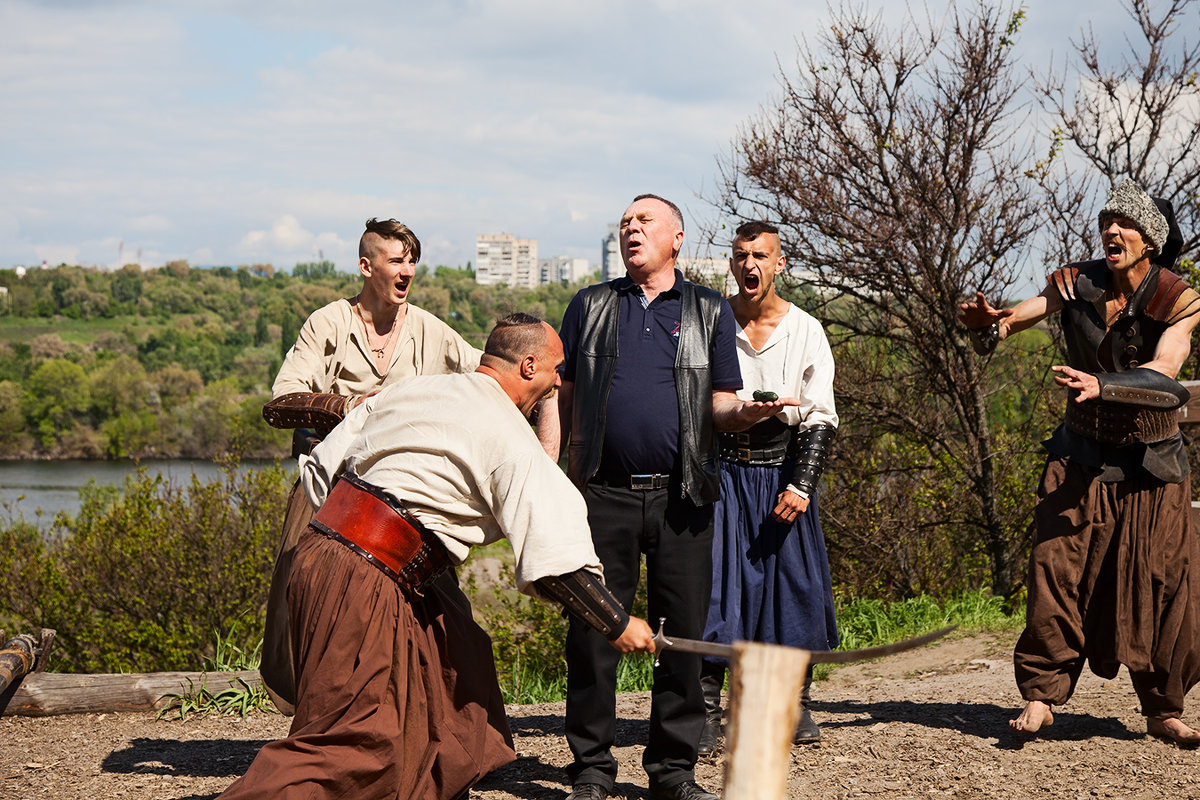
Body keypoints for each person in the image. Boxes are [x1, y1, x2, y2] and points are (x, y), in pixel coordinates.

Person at [219, 314, 656, 800]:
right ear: (528, 365)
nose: (558, 381)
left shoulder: (415, 391)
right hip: (364, 577)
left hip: (326, 555)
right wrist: (617, 622)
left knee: (455, 674)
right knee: (353, 745)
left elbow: (321, 474)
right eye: (555, 370)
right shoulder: (508, 434)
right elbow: (554, 559)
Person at [546, 194, 796, 800]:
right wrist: (550, 473)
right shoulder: (591, 305)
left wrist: (750, 412)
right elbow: (563, 396)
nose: (631, 229)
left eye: (644, 221)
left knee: (684, 633)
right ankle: (591, 770)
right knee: (592, 632)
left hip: (684, 496)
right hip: (601, 494)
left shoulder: (709, 310)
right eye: (625, 223)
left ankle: (673, 772)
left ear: (676, 238)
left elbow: (719, 403)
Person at [958, 179, 1200, 746]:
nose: (1112, 230)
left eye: (1126, 223)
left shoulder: (1178, 298)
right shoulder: (1076, 283)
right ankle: (1042, 696)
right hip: (1080, 455)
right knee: (1054, 567)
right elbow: (1019, 317)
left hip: (1151, 464)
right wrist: (990, 327)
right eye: (1107, 221)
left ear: (1152, 239)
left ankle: (1163, 707)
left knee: (1161, 580)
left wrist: (1106, 384)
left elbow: (1168, 367)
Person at [260, 218, 481, 712]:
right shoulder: (328, 323)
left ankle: (443, 713)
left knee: (444, 607)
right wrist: (351, 406)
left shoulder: (426, 328)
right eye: (396, 260)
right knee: (298, 598)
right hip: (328, 486)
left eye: (411, 261)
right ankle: (319, 718)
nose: (407, 271)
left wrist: (539, 372)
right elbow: (279, 404)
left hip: (403, 493)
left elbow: (483, 371)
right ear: (366, 266)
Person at [698, 221, 839, 755]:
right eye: (740, 256)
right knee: (717, 589)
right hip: (725, 473)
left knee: (792, 587)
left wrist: (801, 485)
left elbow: (821, 415)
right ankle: (708, 708)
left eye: (761, 255)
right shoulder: (713, 325)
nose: (749, 265)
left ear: (780, 263)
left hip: (783, 471)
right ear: (731, 264)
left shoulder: (805, 330)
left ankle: (791, 702)